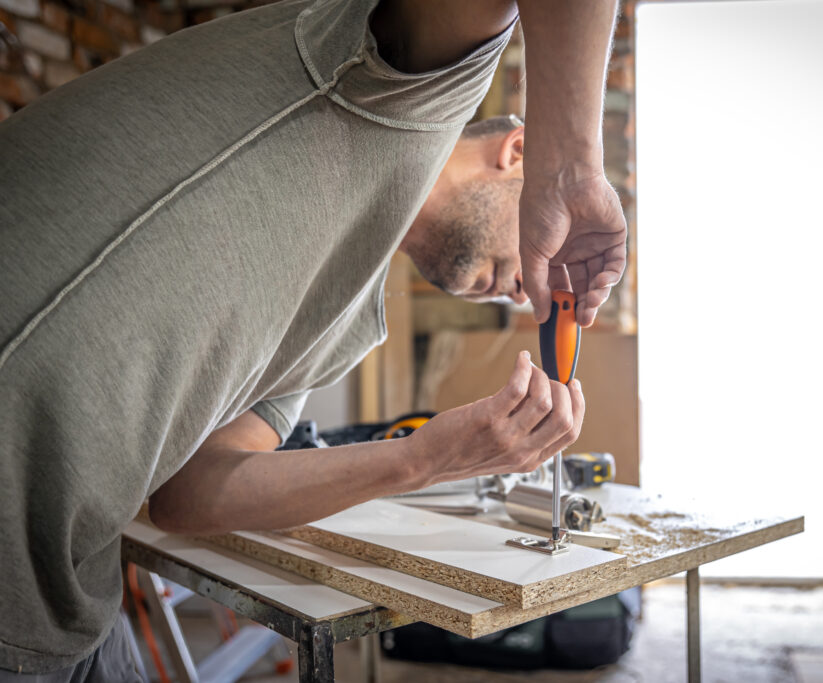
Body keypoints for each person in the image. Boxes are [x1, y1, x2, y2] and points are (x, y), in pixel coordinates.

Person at [0, 0, 627, 678]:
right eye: (547, 246)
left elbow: (192, 493)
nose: (524, 292)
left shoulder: (345, 325)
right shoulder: (407, 90)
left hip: (54, 599)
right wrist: (572, 171)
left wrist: (425, 458)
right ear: (518, 153)